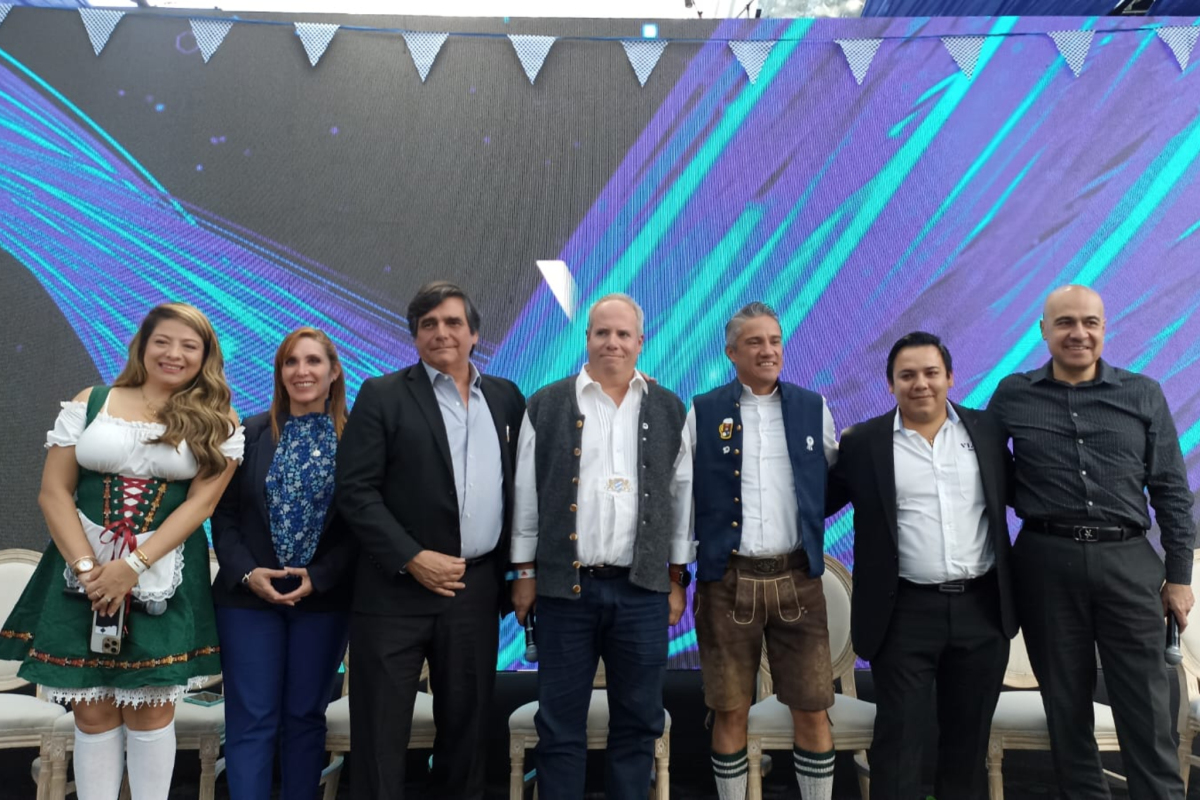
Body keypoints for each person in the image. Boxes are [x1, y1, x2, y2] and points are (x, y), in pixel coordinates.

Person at [0, 302, 243, 800]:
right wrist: (89, 569)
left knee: (151, 708)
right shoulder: (92, 401)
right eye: (163, 341)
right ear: (142, 345)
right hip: (79, 570)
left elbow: (201, 505)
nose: (173, 353)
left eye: (189, 345)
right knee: (91, 711)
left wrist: (132, 566)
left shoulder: (218, 419)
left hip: (163, 572)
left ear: (205, 356)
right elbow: (54, 492)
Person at [988, 285, 1195, 799]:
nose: (1078, 333)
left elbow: (1171, 489)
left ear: (1104, 328)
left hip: (1129, 563)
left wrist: (1179, 577)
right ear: (1044, 330)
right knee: (1067, 711)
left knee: (1147, 712)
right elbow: (987, 472)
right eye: (1064, 323)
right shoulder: (1013, 395)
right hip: (1045, 563)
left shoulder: (1142, 393)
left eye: (1089, 322)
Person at [335, 280, 525, 800]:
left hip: (474, 590)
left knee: (468, 733)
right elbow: (355, 491)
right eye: (429, 324)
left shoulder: (507, 398)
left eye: (453, 322)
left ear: (474, 334)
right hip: (393, 593)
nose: (442, 332)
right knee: (380, 734)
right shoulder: (382, 394)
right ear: (415, 337)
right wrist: (412, 558)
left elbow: (526, 481)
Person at [509, 293, 693, 800]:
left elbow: (682, 498)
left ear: (640, 341)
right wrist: (523, 573)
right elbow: (527, 495)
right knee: (559, 724)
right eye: (602, 333)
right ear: (587, 338)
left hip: (642, 591)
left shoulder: (668, 407)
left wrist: (677, 577)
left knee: (638, 722)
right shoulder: (546, 404)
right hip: (565, 592)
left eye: (622, 334)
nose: (612, 342)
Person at [828, 331, 1016, 800]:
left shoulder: (988, 431)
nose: (920, 384)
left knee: (967, 748)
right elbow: (814, 503)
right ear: (890, 384)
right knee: (899, 745)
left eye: (931, 373)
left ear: (950, 377)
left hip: (981, 610)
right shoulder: (864, 443)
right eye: (907, 375)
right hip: (903, 613)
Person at [687, 302, 839, 800]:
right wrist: (677, 573)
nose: (767, 350)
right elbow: (682, 494)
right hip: (727, 582)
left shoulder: (813, 407)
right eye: (754, 342)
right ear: (731, 352)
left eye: (774, 340)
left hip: (798, 579)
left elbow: (830, 480)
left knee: (813, 708)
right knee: (730, 709)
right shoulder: (703, 411)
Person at [210, 327, 357, 800]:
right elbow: (222, 515)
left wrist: (322, 576)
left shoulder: (358, 440)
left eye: (313, 361)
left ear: (334, 372)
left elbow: (363, 523)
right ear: (279, 373)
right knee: (251, 719)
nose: (301, 371)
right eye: (291, 362)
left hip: (324, 600)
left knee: (304, 717)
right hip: (247, 600)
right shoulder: (249, 434)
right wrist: (248, 574)